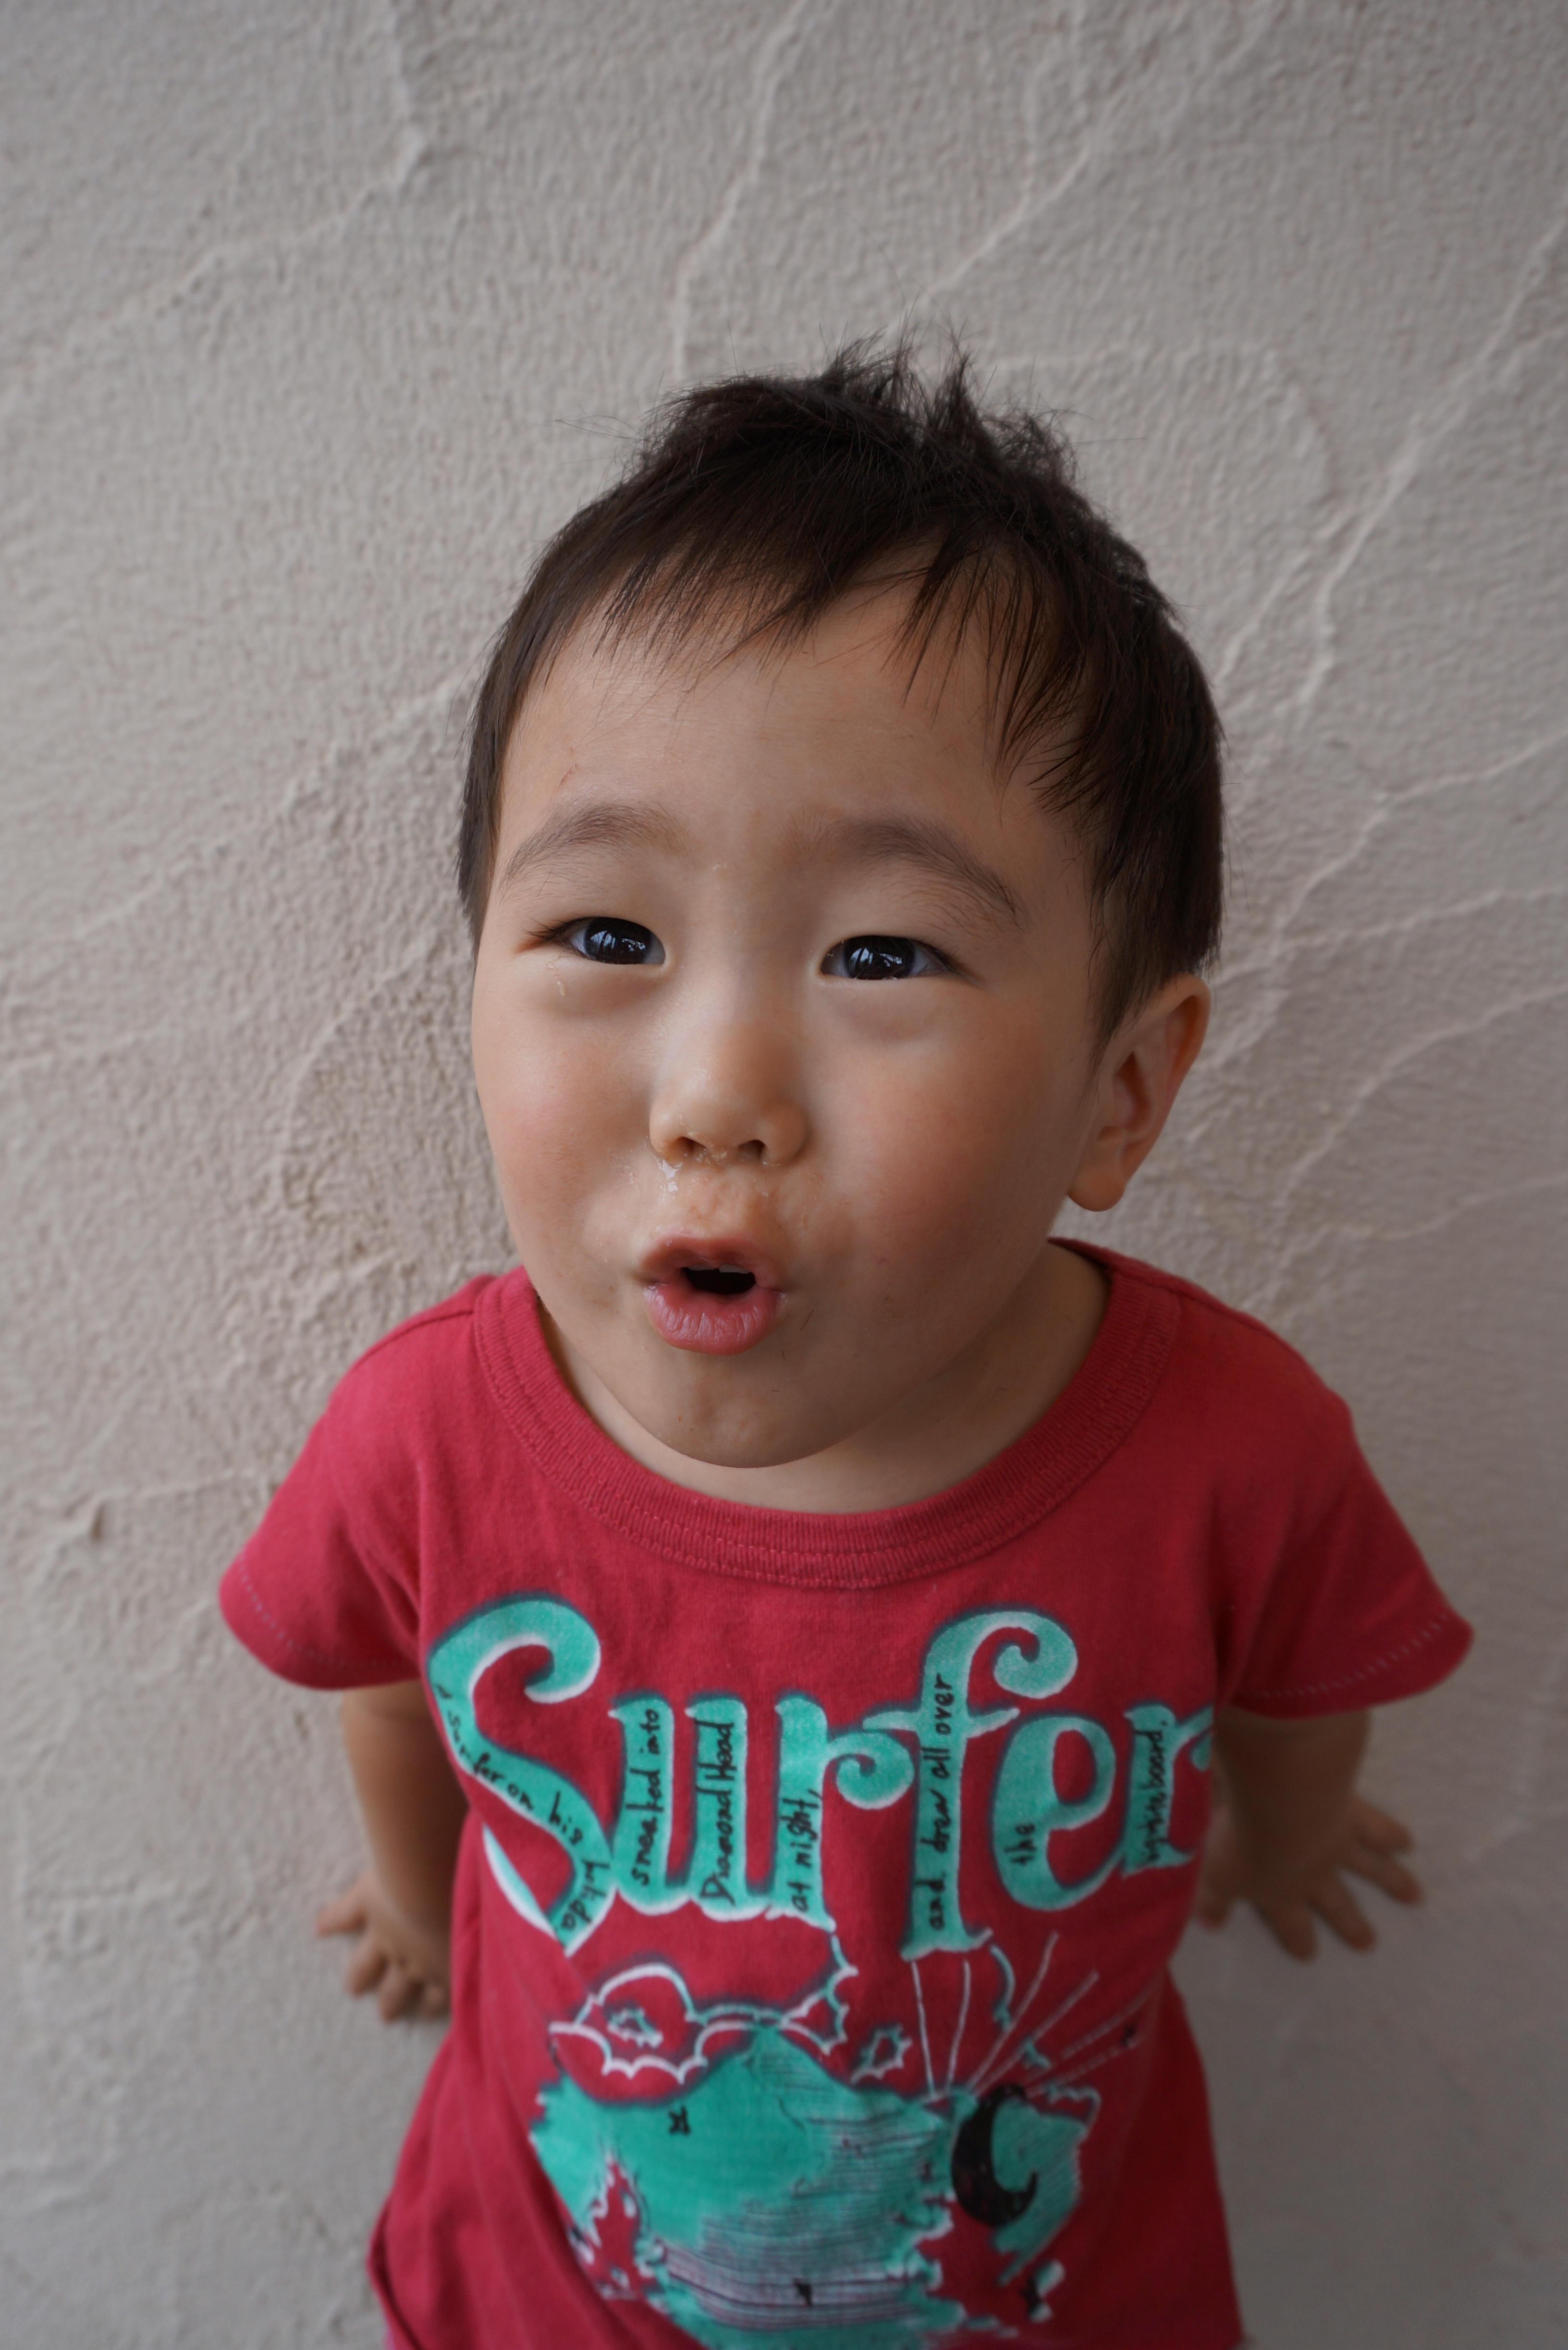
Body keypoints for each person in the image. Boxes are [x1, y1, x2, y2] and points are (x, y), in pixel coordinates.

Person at [220, 344, 1471, 2350]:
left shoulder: (1233, 1449)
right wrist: (409, 1885)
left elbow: (1305, 1684)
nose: (717, 1090)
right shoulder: (430, 1430)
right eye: (607, 936)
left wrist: (1292, 1834)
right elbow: (388, 1674)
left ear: (1122, 1093)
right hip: (548, 2287)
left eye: (883, 953)